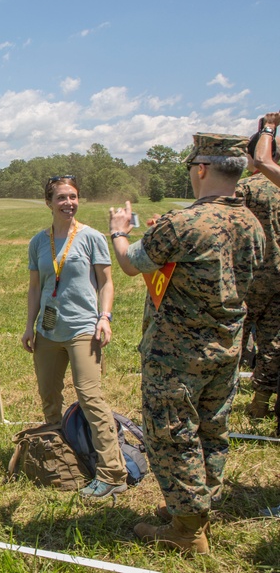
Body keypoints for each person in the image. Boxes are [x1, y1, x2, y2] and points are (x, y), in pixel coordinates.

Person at [108, 133, 265, 554]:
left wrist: (119, 231)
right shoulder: (252, 222)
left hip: (178, 353)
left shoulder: (185, 223)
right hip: (227, 346)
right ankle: (192, 508)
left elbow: (128, 263)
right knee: (211, 430)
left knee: (171, 434)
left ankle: (187, 531)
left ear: (200, 169)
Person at [21, 175, 128, 502]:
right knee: (49, 396)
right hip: (48, 332)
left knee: (90, 397)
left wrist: (104, 318)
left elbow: (106, 283)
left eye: (73, 196)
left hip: (84, 329)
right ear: (48, 202)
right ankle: (61, 457)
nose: (68, 203)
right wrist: (29, 326)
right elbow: (36, 287)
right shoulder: (39, 242)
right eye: (61, 198)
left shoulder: (92, 237)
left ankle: (113, 473)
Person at [237, 127, 280, 421]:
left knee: (234, 337)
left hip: (249, 277)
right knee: (273, 340)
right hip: (279, 278)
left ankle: (219, 398)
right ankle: (260, 403)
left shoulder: (247, 189)